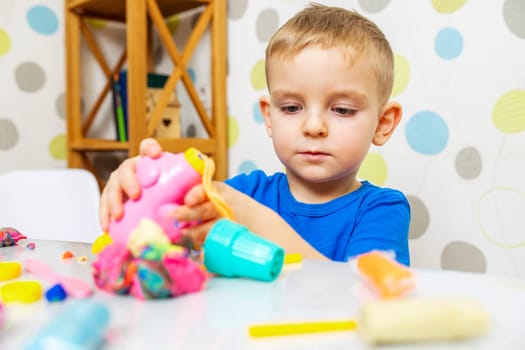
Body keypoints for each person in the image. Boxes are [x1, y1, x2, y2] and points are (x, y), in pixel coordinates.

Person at [99, 4, 411, 265]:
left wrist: (251, 219)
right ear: (269, 116)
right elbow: (161, 253)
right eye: (291, 108)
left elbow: (363, 298)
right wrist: (139, 191)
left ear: (383, 123)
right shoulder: (244, 192)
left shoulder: (382, 210)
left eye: (342, 110)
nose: (313, 127)